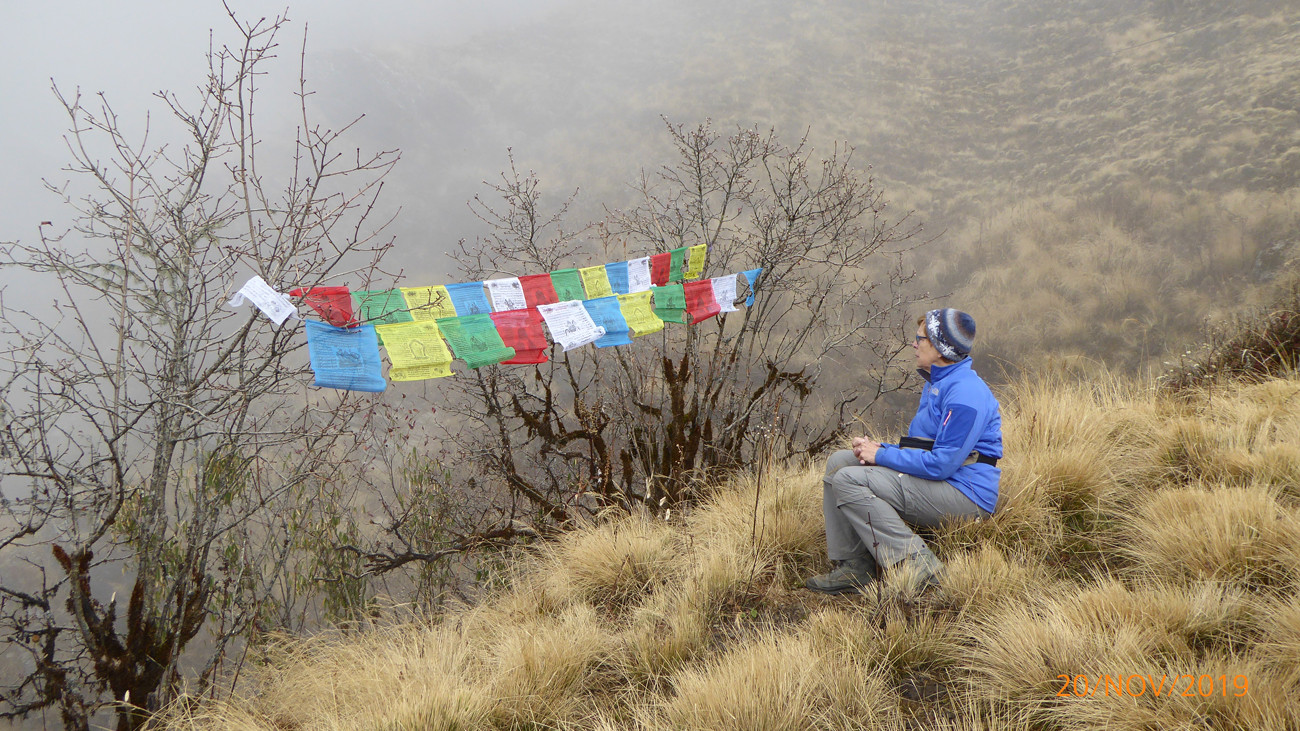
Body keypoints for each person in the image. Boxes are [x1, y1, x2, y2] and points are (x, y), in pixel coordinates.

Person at [805, 308, 1002, 594]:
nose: (914, 343)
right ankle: (856, 565)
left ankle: (923, 569)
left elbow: (941, 465)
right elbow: (923, 447)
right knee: (840, 463)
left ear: (940, 348)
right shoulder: (940, 382)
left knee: (849, 479)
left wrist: (881, 456)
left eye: (920, 338)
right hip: (946, 481)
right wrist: (877, 449)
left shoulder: (965, 395)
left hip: (966, 495)